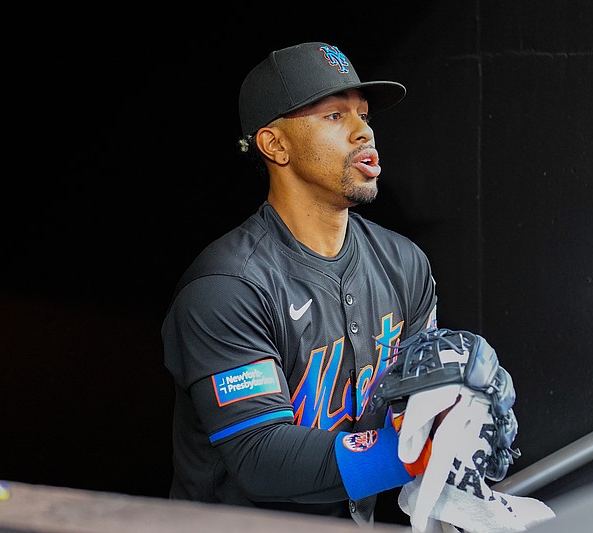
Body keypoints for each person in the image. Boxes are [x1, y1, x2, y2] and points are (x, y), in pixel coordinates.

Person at [161, 42, 440, 525]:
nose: (363, 132)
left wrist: (458, 408)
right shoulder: (228, 286)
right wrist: (418, 454)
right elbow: (260, 455)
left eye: (364, 115)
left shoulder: (404, 264)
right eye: (334, 116)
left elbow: (420, 405)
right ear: (275, 145)